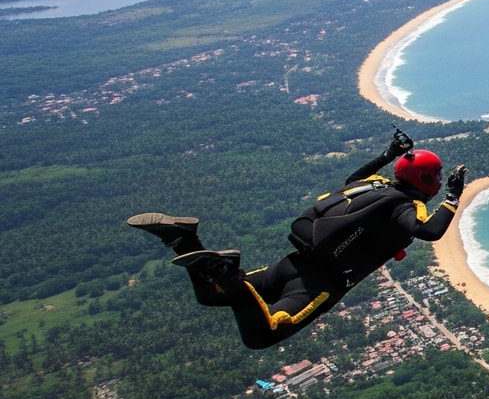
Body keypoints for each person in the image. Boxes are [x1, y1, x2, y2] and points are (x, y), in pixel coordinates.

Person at [127, 130, 466, 350]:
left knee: (212, 297)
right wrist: (453, 196)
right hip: (321, 282)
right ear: (425, 180)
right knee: (264, 334)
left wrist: (388, 153)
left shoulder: (375, 184)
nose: (438, 182)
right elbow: (430, 231)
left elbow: (353, 177)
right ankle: (229, 274)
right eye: (436, 177)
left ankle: (184, 240)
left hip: (293, 263)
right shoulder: (407, 207)